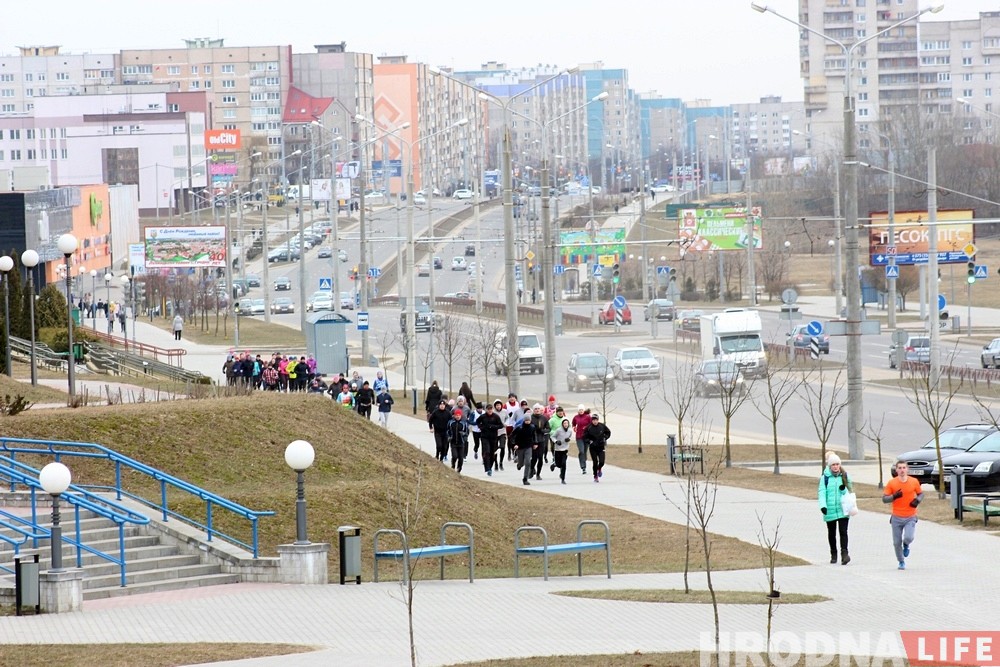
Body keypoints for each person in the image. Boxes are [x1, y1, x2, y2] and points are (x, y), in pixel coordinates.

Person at [883, 460, 924, 570]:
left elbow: (921, 493)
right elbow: (884, 499)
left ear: (907, 469)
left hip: (910, 516)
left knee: (909, 537)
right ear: (896, 470)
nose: (902, 470)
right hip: (896, 517)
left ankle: (906, 544)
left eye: (904, 468)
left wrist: (917, 500)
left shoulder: (914, 481)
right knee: (896, 542)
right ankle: (901, 561)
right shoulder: (892, 483)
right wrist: (894, 497)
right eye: (899, 468)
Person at [818, 453, 852, 565]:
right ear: (830, 466)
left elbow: (850, 491)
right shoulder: (825, 478)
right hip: (830, 509)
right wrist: (823, 506)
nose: (836, 467)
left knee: (843, 532)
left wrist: (843, 490)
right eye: (833, 465)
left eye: (837, 464)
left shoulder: (845, 476)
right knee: (831, 533)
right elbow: (822, 493)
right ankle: (833, 553)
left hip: (843, 509)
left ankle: (845, 554)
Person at [477, 402, 503, 477]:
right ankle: (487, 467)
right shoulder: (483, 416)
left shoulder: (496, 417)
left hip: (493, 437)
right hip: (484, 437)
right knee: (487, 452)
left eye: (491, 409)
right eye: (488, 409)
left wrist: (493, 427)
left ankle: (490, 467)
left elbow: (501, 425)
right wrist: (481, 427)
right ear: (486, 410)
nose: (490, 411)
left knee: (492, 453)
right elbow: (478, 422)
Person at [583, 413, 611, 483]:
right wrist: (589, 441)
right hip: (593, 448)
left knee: (602, 462)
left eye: (596, 420)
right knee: (595, 462)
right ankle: (595, 476)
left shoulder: (602, 426)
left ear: (598, 420)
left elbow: (608, 432)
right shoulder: (588, 427)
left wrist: (605, 438)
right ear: (591, 420)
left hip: (601, 446)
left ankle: (599, 468)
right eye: (593, 420)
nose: (595, 421)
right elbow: (585, 437)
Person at [511, 416, 536, 486]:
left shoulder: (532, 427)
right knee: (521, 463)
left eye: (529, 420)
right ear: (524, 421)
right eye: (526, 420)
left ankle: (525, 478)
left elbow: (534, 436)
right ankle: (519, 464)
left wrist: (535, 443)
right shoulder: (519, 428)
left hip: (528, 447)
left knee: (528, 462)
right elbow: (512, 436)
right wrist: (514, 444)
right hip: (520, 447)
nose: (527, 421)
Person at [529, 404, 550, 481]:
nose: (537, 410)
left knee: (540, 458)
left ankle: (538, 474)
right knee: (534, 457)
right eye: (535, 409)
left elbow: (548, 428)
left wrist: (543, 431)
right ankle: (531, 470)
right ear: (533, 410)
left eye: (538, 409)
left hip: (541, 440)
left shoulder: (544, 418)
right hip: (533, 440)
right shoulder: (530, 417)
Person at [550, 417, 574, 484]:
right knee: (559, 464)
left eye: (567, 423)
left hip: (565, 449)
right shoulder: (558, 430)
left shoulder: (570, 430)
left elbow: (571, 437)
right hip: (558, 449)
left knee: (563, 464)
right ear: (562, 424)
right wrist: (556, 441)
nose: (565, 424)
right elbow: (552, 436)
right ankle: (554, 464)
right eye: (564, 423)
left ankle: (563, 478)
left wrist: (568, 439)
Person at [572, 404, 592, 475]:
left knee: (585, 452)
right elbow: (573, 423)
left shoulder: (588, 417)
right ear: (578, 411)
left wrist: (586, 427)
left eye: (582, 410)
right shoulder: (576, 417)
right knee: (581, 451)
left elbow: (591, 425)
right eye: (579, 410)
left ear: (584, 410)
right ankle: (583, 467)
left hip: (586, 437)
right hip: (579, 437)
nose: (581, 411)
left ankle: (583, 460)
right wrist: (574, 427)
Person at [447, 408, 468, 474]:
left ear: (461, 416)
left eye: (459, 415)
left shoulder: (463, 423)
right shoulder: (451, 422)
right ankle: (453, 465)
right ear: (454, 416)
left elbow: (466, 432)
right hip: (453, 442)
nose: (458, 416)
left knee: (461, 458)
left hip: (461, 443)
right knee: (455, 456)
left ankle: (459, 468)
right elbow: (447, 430)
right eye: (456, 415)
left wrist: (463, 434)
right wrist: (449, 437)